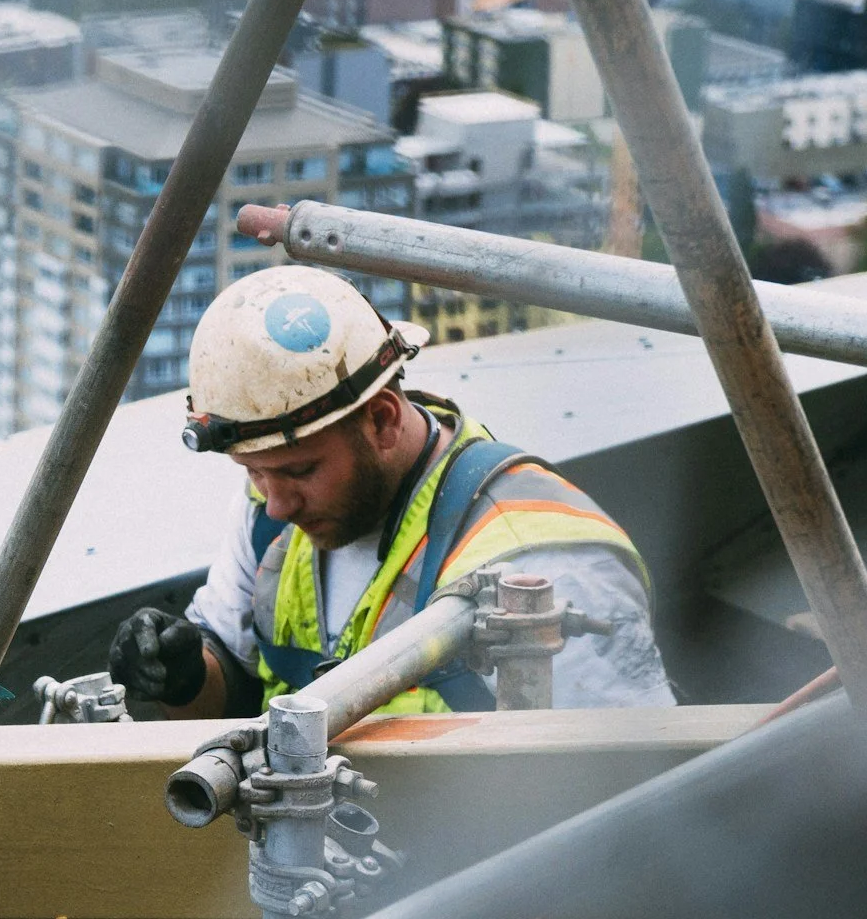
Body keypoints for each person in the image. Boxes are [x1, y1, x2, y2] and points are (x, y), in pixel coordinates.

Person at [110, 267, 672, 717]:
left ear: (381, 421)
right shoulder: (270, 506)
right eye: (254, 472)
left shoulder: (539, 558)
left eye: (301, 472)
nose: (276, 502)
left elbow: (624, 792)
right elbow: (234, 680)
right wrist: (185, 677)